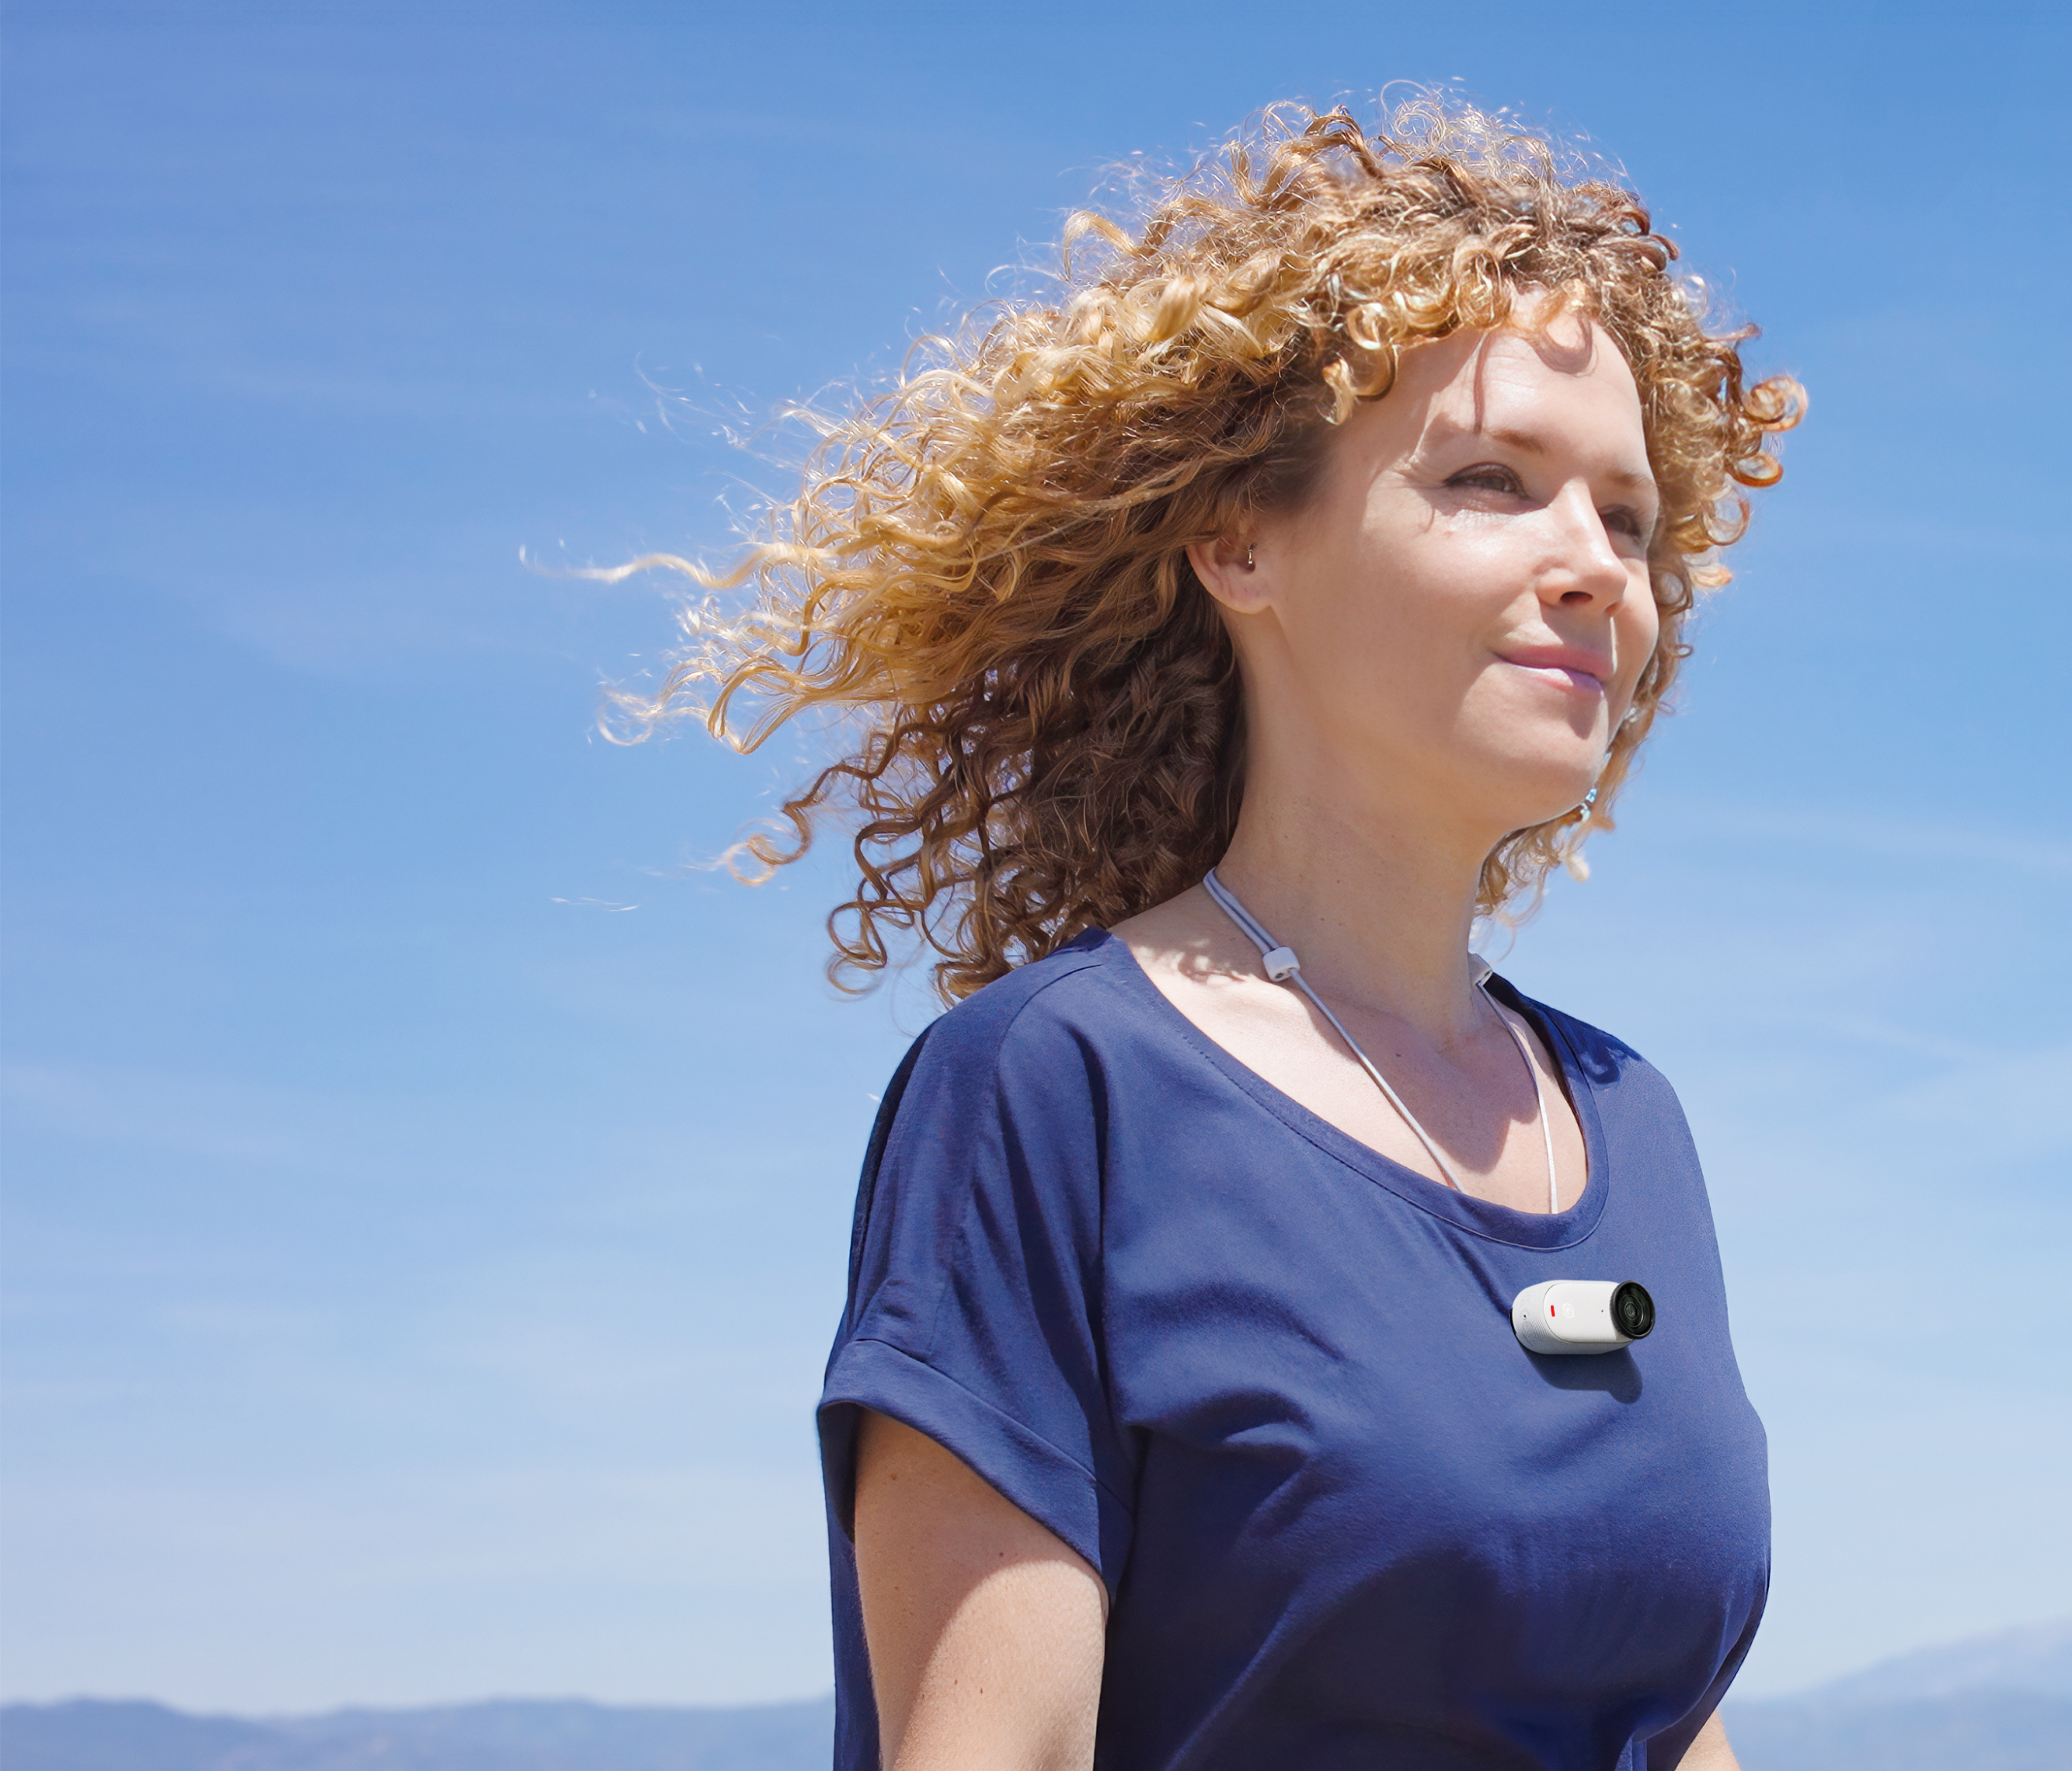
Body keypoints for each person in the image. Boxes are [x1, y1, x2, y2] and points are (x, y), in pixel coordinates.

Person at [636, 97, 1801, 1771]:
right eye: (1491, 482)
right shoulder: (1058, 1093)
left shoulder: (1628, 1122)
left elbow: (1660, 1722)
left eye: (1625, 520)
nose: (1594, 570)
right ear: (1237, 541)